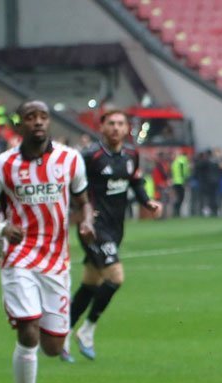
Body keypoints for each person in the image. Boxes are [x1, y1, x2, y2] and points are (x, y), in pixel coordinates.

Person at [0, 100, 94, 383]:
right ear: (19, 125)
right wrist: (1, 228)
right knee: (28, 332)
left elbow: (84, 202)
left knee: (51, 347)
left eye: (43, 117)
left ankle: (54, 336)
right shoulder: (3, 165)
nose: (38, 122)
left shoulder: (70, 159)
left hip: (56, 260)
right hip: (18, 255)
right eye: (30, 117)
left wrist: (87, 222)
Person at [66, 108, 162, 362]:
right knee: (115, 277)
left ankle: (63, 332)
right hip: (93, 227)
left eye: (121, 124)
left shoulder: (131, 155)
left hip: (116, 227)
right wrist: (80, 214)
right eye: (111, 123)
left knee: (91, 281)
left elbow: (136, 182)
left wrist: (147, 202)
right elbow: (73, 187)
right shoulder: (91, 156)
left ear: (127, 128)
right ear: (102, 127)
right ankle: (87, 330)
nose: (116, 128)